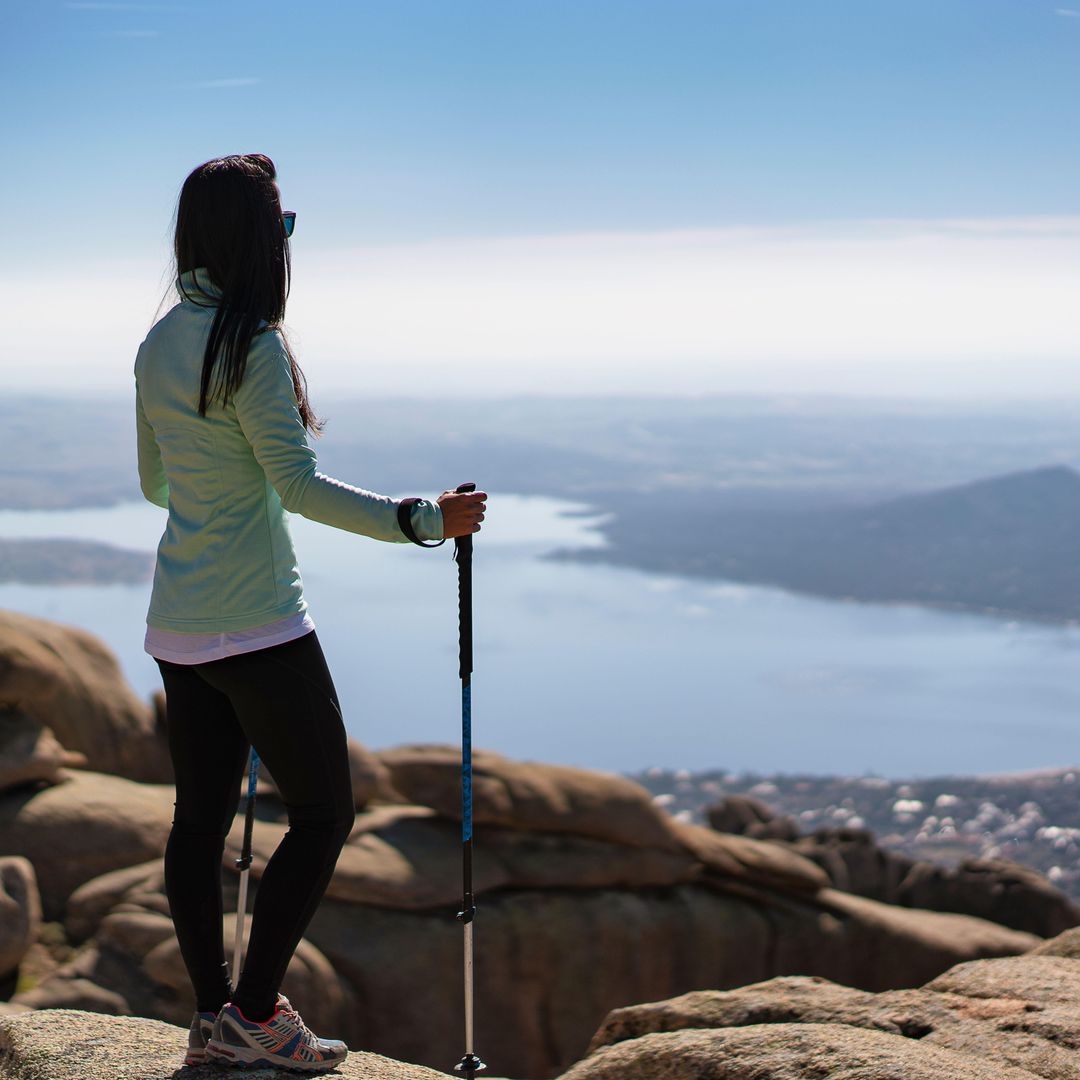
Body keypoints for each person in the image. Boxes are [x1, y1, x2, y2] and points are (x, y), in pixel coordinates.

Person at [134, 152, 487, 1072]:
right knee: (326, 812)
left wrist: (211, 483)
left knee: (197, 822)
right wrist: (422, 522)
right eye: (283, 226)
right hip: (257, 620)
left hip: (178, 622)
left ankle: (216, 1016)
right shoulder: (247, 343)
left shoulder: (161, 341)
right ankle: (254, 1013)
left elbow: (153, 481)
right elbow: (294, 486)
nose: (288, 243)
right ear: (257, 240)